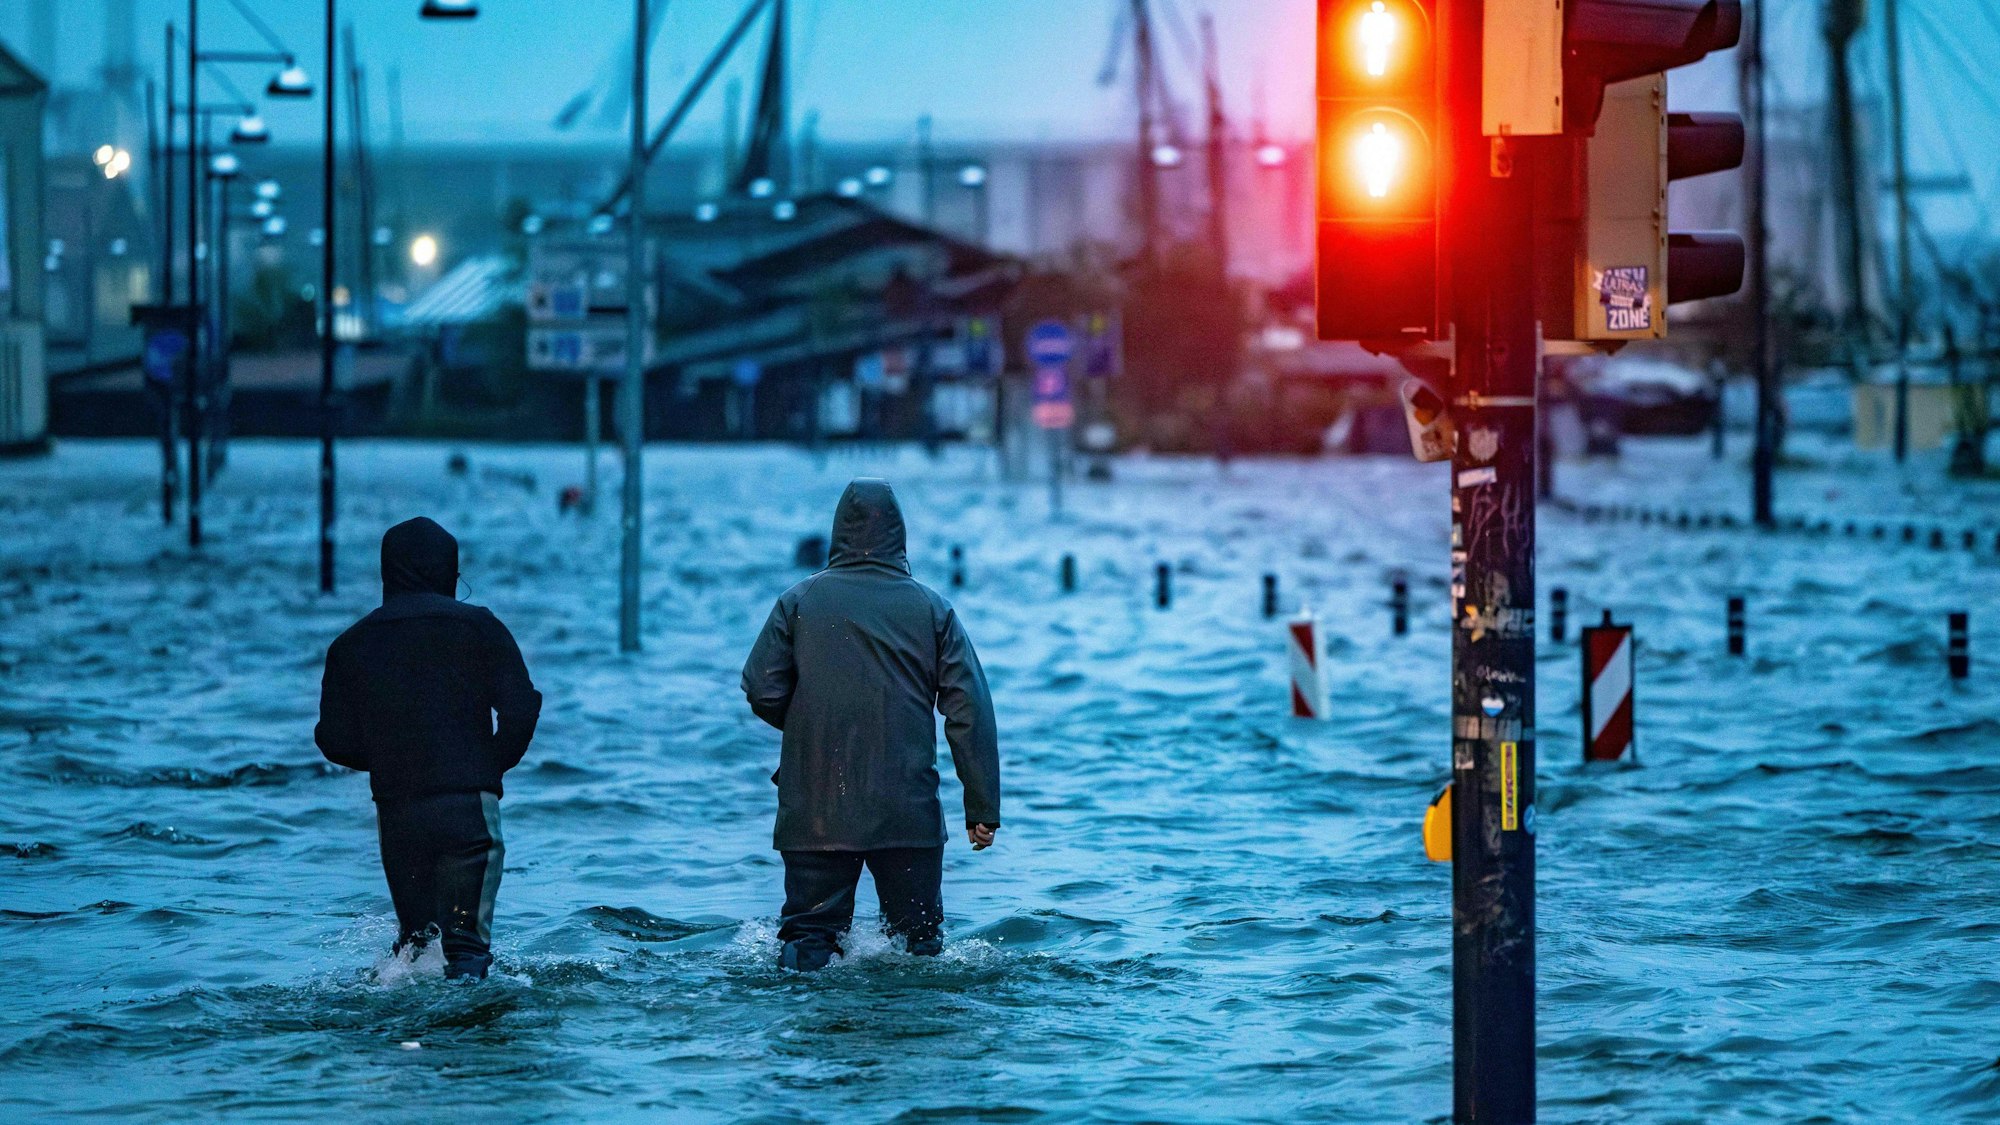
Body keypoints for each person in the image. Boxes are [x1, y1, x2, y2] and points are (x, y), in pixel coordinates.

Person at [741, 479, 1001, 971]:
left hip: (815, 808)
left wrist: (812, 729)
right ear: (900, 538)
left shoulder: (797, 602)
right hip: (908, 810)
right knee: (919, 945)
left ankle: (810, 1038)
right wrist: (981, 806)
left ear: (838, 533)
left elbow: (761, 688)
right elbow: (970, 710)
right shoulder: (933, 609)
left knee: (808, 939)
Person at [315, 517, 541, 981]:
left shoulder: (351, 643)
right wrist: (484, 765)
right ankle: (465, 1040)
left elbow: (332, 739)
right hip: (467, 811)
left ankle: (410, 1042)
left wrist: (394, 759)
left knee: (416, 948)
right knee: (467, 951)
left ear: (387, 575)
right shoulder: (479, 627)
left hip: (397, 813)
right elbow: (522, 709)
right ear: (449, 573)